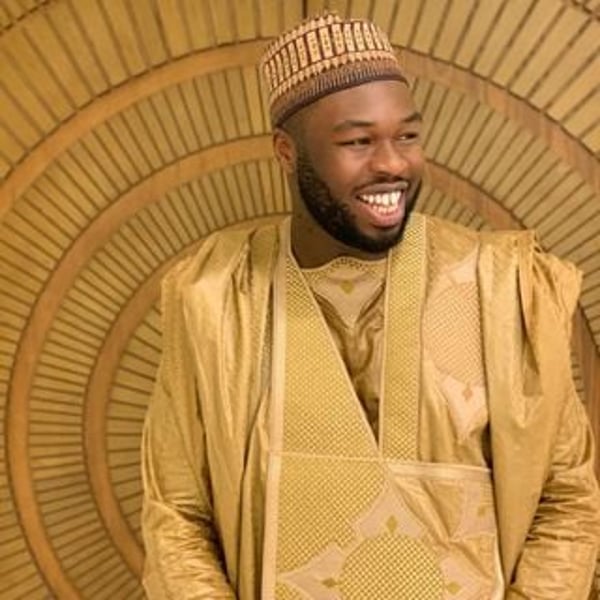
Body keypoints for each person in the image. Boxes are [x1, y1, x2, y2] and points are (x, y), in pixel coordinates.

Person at [141, 12, 600, 599]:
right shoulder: (215, 298)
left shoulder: (504, 287)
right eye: (358, 142)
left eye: (406, 136)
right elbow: (178, 515)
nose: (392, 164)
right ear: (287, 152)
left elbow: (566, 498)